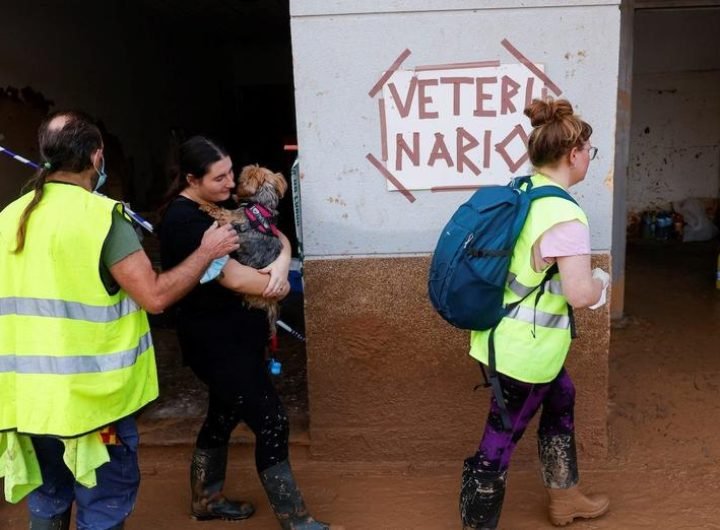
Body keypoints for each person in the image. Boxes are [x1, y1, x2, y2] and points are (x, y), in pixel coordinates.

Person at [0, 111, 240, 530]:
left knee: (48, 498)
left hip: (28, 401)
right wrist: (207, 251)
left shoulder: (8, 219)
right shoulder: (101, 219)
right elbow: (155, 296)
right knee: (104, 505)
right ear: (97, 158)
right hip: (93, 405)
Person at [158, 136, 337, 529]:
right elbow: (234, 279)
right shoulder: (185, 220)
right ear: (192, 178)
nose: (230, 184)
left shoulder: (222, 209)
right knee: (272, 419)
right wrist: (279, 284)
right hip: (215, 341)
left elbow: (277, 237)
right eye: (219, 177)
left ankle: (206, 500)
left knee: (223, 413)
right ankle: (297, 519)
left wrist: (282, 263)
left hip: (240, 335)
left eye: (229, 173)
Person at [459, 98, 611, 529]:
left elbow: (534, 270)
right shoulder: (564, 213)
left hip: (503, 335)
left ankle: (566, 498)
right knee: (499, 441)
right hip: (525, 353)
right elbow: (580, 294)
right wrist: (601, 282)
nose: (588, 159)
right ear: (573, 155)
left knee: (562, 396)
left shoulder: (523, 191)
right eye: (589, 152)